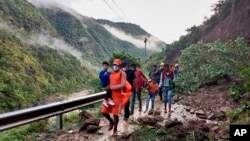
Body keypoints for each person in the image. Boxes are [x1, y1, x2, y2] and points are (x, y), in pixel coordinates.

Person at [101, 59, 126, 136]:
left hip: (117, 97)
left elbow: (122, 85)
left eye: (117, 65)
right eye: (114, 65)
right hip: (110, 96)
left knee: (115, 114)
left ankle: (115, 128)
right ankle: (111, 122)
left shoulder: (122, 73)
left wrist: (111, 87)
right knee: (104, 112)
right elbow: (106, 80)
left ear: (120, 66)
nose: (115, 66)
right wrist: (105, 86)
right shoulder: (111, 73)